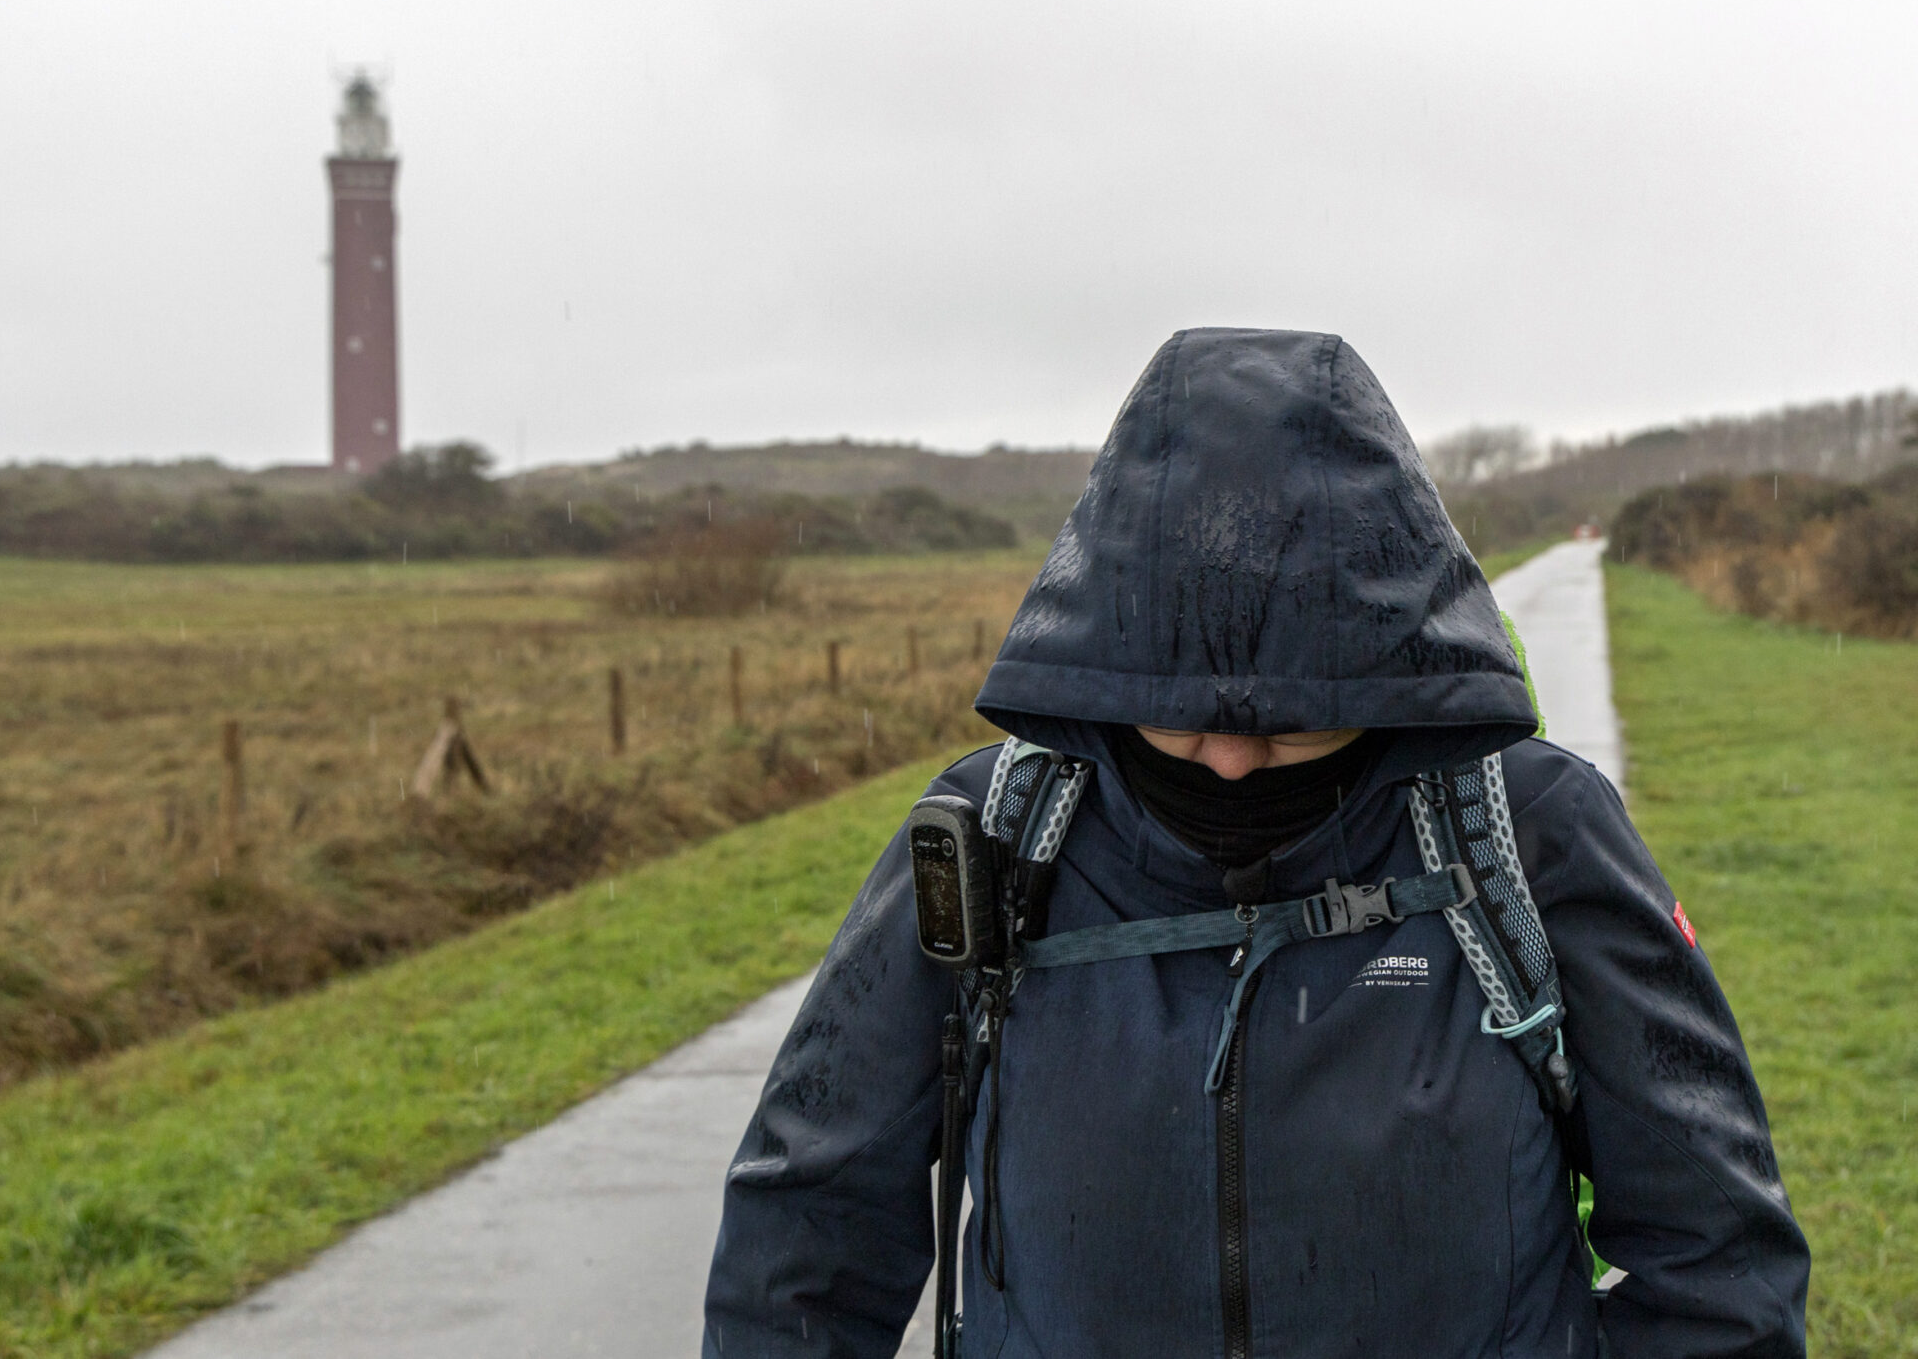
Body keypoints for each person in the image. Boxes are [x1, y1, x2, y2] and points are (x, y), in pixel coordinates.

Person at [702, 329, 1808, 1357]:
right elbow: (809, 1224)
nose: (1230, 757)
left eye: (1292, 714)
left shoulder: (1532, 831)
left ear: (1383, 672)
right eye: (1177, 710)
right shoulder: (995, 835)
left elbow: (1716, 1253)